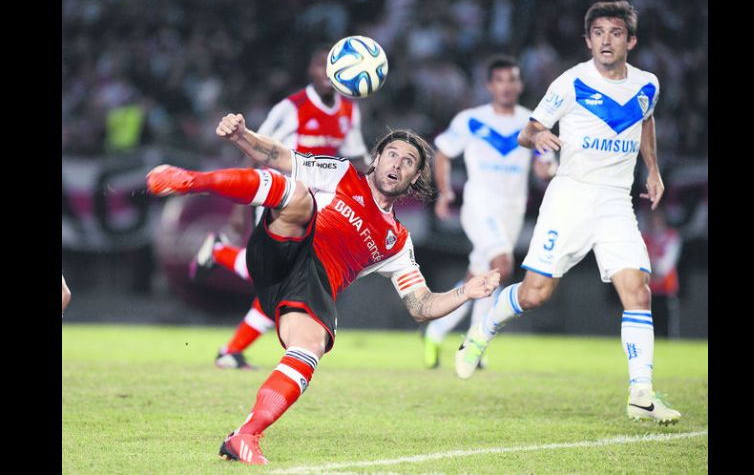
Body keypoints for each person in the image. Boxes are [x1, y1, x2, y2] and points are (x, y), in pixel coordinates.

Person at [146, 114, 501, 464]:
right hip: (288, 246)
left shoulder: (397, 242)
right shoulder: (343, 174)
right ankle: (190, 180)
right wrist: (242, 137)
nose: (398, 163)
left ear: (413, 181)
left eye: (408, 162)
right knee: (297, 195)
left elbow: (421, 305)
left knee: (309, 349)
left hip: (311, 286)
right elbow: (279, 157)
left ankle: (245, 436)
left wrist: (466, 292)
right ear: (376, 159)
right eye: (392, 154)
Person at [454, 0, 681, 425]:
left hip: (615, 200)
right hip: (571, 197)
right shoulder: (571, 82)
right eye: (598, 33)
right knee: (535, 294)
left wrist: (652, 169)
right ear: (588, 40)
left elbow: (645, 119)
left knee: (638, 291)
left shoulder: (647, 83)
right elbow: (528, 129)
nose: (606, 41)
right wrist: (539, 139)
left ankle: (641, 394)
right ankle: (481, 333)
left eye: (615, 33)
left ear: (630, 40)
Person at [189, 44, 370, 370]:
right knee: (278, 279)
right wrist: (238, 207)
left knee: (283, 283)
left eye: (334, 67)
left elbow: (356, 158)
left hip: (318, 207)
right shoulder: (291, 108)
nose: (327, 73)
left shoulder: (349, 111)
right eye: (320, 65)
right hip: (281, 197)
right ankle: (220, 260)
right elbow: (253, 147)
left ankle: (229, 348)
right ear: (311, 71)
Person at [423, 55, 555, 368]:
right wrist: (444, 193)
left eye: (512, 80)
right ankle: (474, 343)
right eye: (500, 80)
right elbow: (442, 153)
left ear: (520, 84)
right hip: (479, 205)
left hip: (512, 209)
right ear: (489, 85)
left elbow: (542, 166)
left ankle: (437, 328)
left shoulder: (531, 123)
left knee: (479, 277)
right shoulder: (471, 119)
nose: (506, 86)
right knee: (502, 265)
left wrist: (547, 168)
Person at [641, 207, 682, 338]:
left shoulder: (672, 236)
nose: (654, 222)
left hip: (666, 288)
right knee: (648, 327)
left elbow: (667, 263)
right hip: (648, 290)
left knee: (667, 326)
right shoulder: (643, 238)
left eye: (657, 218)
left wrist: (654, 268)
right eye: (652, 218)